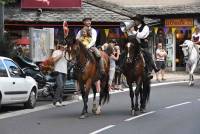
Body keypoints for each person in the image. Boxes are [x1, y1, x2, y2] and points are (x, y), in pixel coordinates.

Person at [127, 14, 159, 79]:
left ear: (140, 21)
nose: (135, 22)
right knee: (125, 53)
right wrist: (129, 30)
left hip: (142, 46)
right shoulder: (133, 27)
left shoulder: (145, 27)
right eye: (134, 20)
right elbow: (130, 35)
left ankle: (149, 71)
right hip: (134, 45)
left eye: (136, 20)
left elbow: (141, 36)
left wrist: (133, 31)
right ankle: (120, 68)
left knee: (148, 55)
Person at [52, 41, 68, 106]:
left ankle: (60, 101)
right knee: (60, 85)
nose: (64, 46)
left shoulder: (67, 53)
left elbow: (70, 60)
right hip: (58, 70)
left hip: (65, 71)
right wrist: (61, 54)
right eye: (63, 45)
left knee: (63, 87)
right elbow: (53, 60)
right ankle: (55, 101)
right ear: (60, 45)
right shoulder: (56, 52)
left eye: (65, 45)